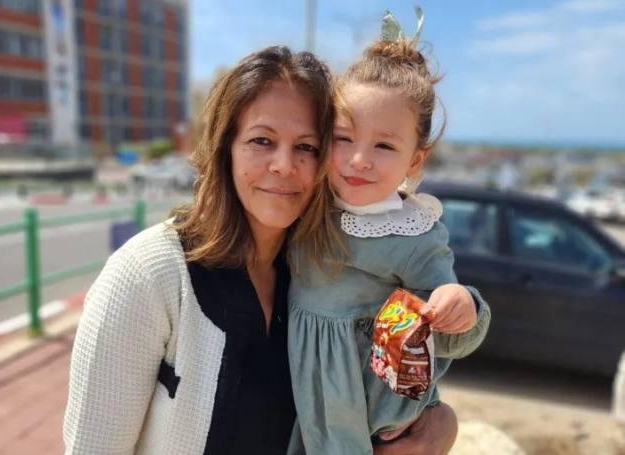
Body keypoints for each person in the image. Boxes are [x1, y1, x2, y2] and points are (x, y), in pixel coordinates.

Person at [63, 45, 458, 454]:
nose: (283, 164)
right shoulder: (148, 274)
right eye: (261, 140)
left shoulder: (323, 264)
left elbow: (389, 383)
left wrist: (440, 423)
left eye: (306, 147)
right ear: (225, 148)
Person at [287, 10, 491, 454]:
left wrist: (461, 305)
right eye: (344, 138)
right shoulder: (307, 204)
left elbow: (450, 336)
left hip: (377, 426)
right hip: (310, 412)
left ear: (415, 160)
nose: (359, 159)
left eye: (384, 145)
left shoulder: (414, 235)